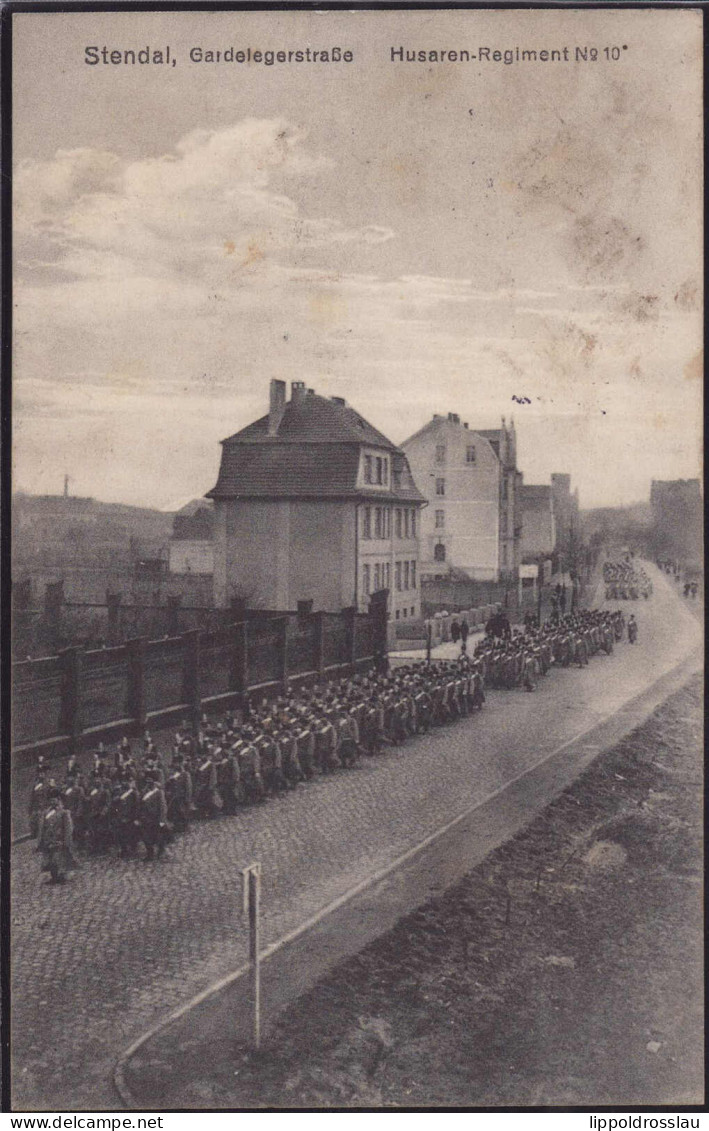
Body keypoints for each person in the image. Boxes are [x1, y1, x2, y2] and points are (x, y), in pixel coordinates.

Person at [37, 788, 75, 884]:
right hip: (49, 839)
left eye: (54, 800)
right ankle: (53, 876)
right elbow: (43, 826)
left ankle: (61, 876)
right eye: (51, 800)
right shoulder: (46, 812)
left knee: (59, 858)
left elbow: (68, 828)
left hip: (59, 839)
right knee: (49, 859)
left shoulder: (64, 812)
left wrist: (66, 841)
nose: (52, 802)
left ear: (58, 800)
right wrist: (41, 840)